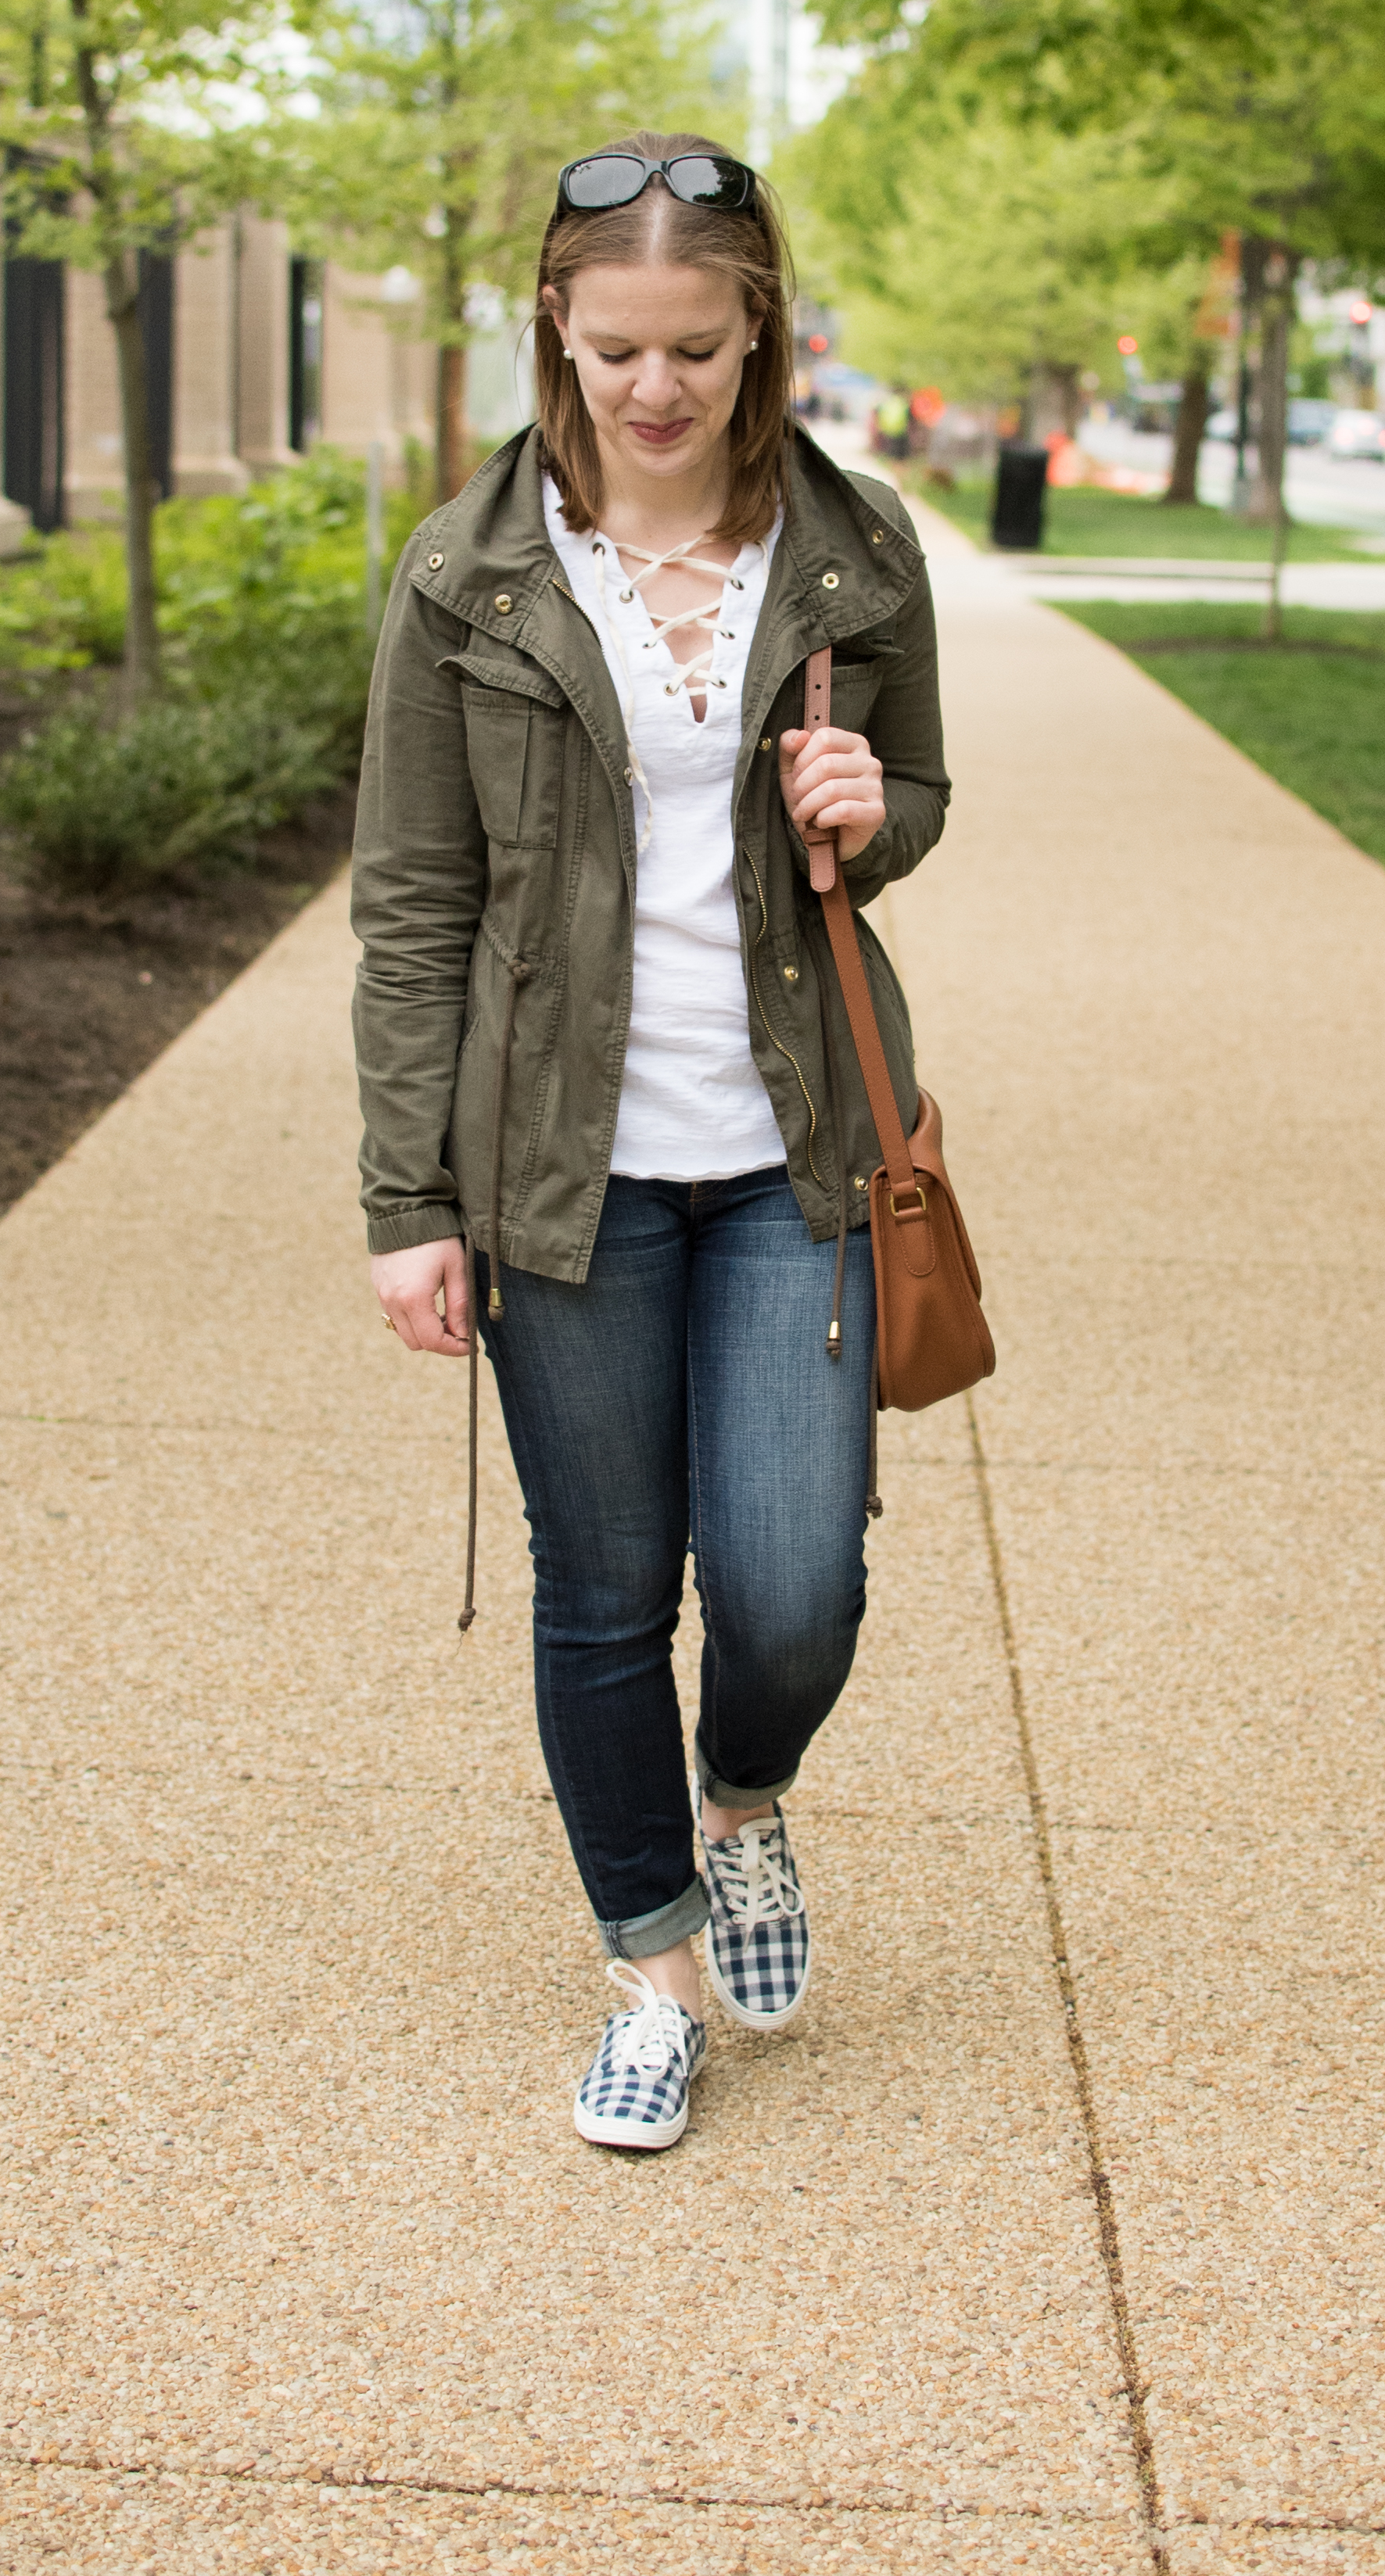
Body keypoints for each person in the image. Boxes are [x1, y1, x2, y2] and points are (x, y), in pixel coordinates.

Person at [351, 134, 949, 2151]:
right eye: (617, 350)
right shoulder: (469, 572)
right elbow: (415, 904)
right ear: (557, 326)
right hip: (556, 1167)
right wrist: (403, 1204)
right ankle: (649, 1967)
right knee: (603, 1590)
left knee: (796, 1592)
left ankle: (745, 1797)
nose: (657, 389)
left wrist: (873, 805)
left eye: (695, 345)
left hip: (796, 1150)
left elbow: (918, 800)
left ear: (756, 325)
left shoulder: (855, 549)